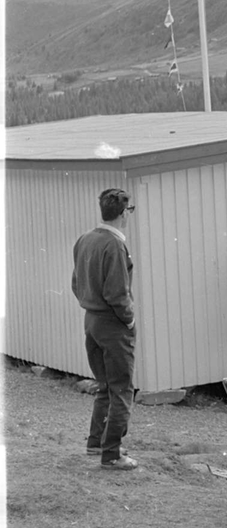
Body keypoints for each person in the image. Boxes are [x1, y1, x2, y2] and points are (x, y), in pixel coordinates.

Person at [72, 188, 139, 470]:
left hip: (91, 320)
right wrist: (130, 319)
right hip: (113, 323)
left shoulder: (85, 239)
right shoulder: (114, 244)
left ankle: (96, 442)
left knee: (105, 385)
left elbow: (76, 284)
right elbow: (117, 293)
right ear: (124, 214)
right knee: (122, 389)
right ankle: (112, 453)